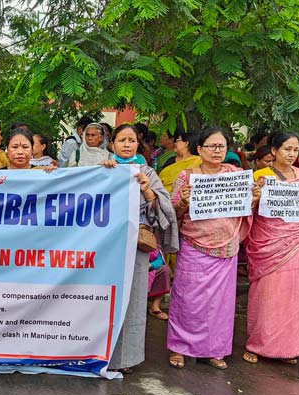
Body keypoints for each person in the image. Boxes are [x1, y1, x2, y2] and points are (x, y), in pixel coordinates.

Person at [166, 128, 258, 370]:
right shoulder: (187, 177)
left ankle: (214, 349)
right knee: (187, 300)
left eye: (221, 146)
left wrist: (255, 197)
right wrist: (183, 201)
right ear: (199, 149)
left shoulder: (235, 175)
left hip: (226, 248)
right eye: (212, 146)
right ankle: (179, 348)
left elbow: (247, 205)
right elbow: (172, 213)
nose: (217, 151)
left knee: (220, 304)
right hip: (193, 245)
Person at [244, 132, 299, 364]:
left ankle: (289, 347)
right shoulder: (260, 176)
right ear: (274, 151)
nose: (292, 154)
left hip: (297, 242)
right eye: (287, 149)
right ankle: (257, 344)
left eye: (295, 150)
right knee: (266, 294)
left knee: (295, 295)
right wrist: (255, 196)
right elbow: (249, 209)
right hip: (268, 243)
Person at [104, 124, 178, 374]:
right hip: (106, 245)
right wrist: (102, 176)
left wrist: (147, 191)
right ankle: (99, 353)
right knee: (103, 299)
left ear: (138, 144)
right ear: (112, 144)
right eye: (122, 140)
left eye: (132, 140)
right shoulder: (102, 169)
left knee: (133, 300)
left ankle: (125, 359)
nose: (127, 144)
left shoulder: (147, 172)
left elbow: (165, 211)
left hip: (136, 244)